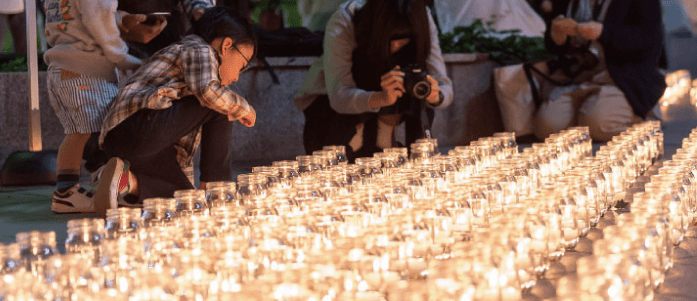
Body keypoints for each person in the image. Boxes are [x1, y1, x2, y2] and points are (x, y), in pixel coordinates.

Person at [93, 6, 257, 217]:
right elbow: (208, 91)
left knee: (186, 199)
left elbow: (179, 136)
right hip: (137, 124)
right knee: (223, 106)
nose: (237, 76)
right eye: (242, 65)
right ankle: (217, 192)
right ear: (226, 46)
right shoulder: (200, 49)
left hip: (134, 146)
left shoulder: (194, 75)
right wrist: (245, 108)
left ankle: (124, 181)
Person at [294, 0, 453, 161]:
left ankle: (417, 158)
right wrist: (381, 98)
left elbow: (442, 83)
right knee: (340, 168)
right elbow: (339, 96)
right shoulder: (346, 19)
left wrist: (435, 95)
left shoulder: (420, 15)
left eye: (405, 41)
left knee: (419, 96)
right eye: (392, 39)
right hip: (332, 109)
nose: (397, 46)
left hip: (384, 106)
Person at [43, 0, 143, 213]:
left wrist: (120, 18)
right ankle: (87, 189)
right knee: (94, 133)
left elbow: (77, 19)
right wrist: (124, 58)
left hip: (62, 68)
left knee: (78, 133)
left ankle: (67, 191)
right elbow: (99, 22)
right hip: (86, 71)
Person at [532, 0, 666, 142]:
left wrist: (604, 32)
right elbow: (556, 46)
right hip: (576, 77)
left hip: (619, 78)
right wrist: (556, 35)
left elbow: (647, 40)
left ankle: (641, 120)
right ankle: (587, 116)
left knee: (597, 125)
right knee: (547, 128)